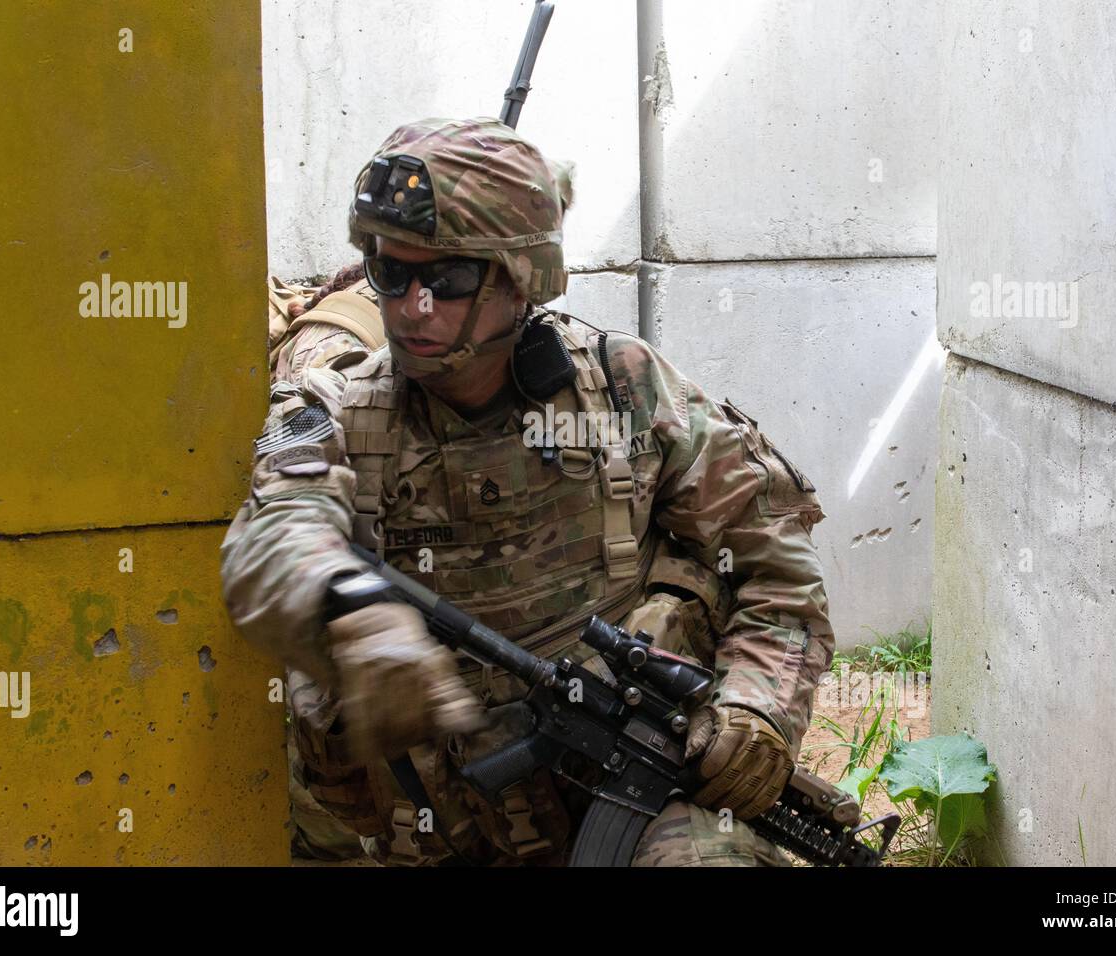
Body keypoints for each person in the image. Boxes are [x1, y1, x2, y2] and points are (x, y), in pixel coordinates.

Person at [221, 116, 836, 866]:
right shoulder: (330, 409)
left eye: (447, 280)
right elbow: (273, 532)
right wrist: (345, 606)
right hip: (412, 834)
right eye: (391, 273)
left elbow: (773, 561)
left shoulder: (624, 389)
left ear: (521, 277)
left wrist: (756, 704)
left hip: (622, 803)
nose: (414, 308)